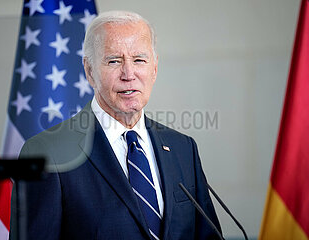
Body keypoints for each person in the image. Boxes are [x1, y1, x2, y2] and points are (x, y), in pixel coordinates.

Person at [11, 11, 221, 240]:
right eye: (114, 61)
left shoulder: (183, 149)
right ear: (90, 71)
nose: (128, 74)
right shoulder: (46, 154)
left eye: (139, 60)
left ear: (154, 68)